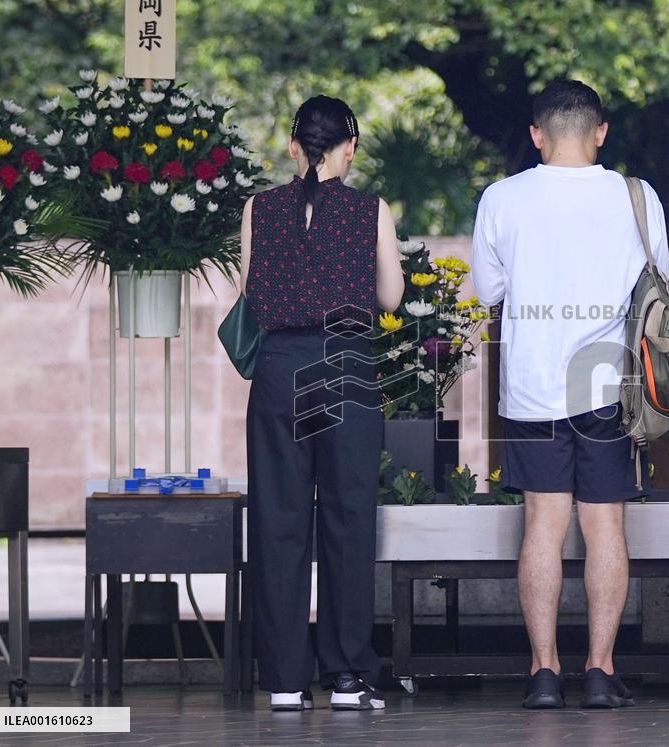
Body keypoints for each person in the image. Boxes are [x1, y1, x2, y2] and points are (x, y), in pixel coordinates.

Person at [470, 80, 669, 709]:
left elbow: (486, 293)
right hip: (609, 384)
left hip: (531, 387)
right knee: (605, 524)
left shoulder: (502, 198)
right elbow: (660, 285)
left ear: (536, 134)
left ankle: (543, 673)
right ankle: (600, 671)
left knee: (543, 525)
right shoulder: (637, 198)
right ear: (601, 131)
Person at [239, 95, 404, 711]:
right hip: (346, 370)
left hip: (280, 372)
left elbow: (252, 294)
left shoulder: (259, 209)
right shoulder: (370, 211)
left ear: (292, 147)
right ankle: (345, 675)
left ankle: (284, 680)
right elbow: (389, 297)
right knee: (347, 520)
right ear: (350, 148)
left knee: (279, 522)